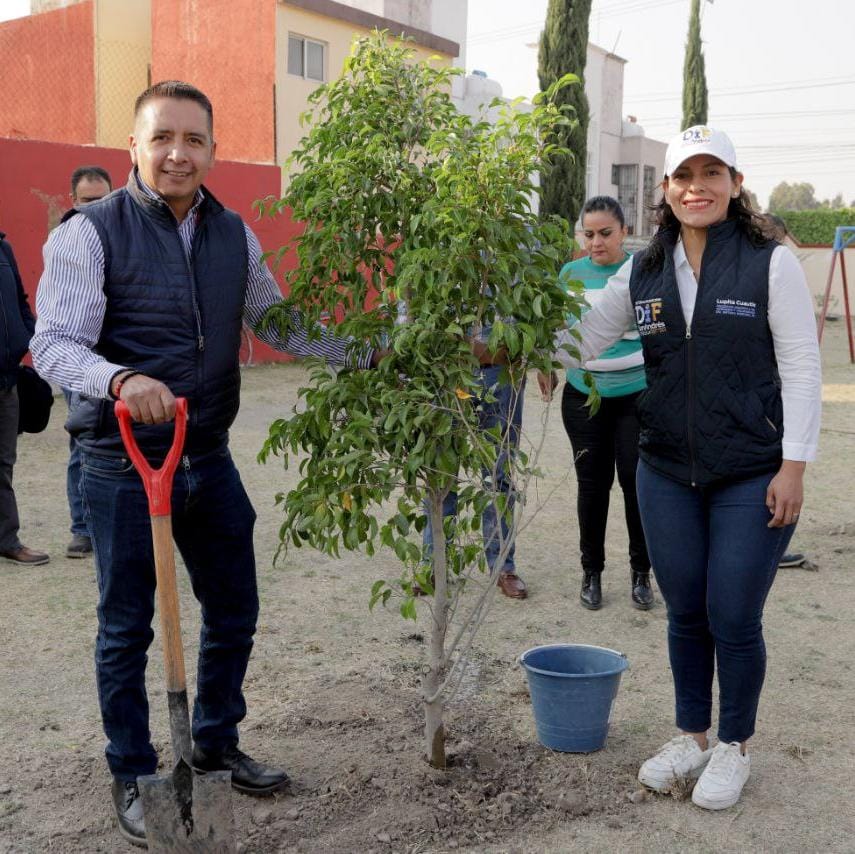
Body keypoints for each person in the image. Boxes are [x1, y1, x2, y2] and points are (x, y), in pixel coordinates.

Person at [32, 80, 377, 848]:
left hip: (207, 456)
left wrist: (368, 352)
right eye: (162, 137)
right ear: (133, 145)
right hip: (123, 465)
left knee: (234, 611)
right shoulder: (87, 234)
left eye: (193, 139)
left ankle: (214, 742)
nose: (177, 153)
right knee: (125, 628)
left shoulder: (234, 233)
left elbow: (276, 318)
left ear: (214, 150)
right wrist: (122, 380)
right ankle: (132, 768)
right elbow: (54, 345)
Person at [553, 126, 821, 810]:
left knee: (731, 611)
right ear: (664, 190)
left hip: (749, 469)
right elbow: (578, 337)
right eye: (681, 176)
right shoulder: (640, 267)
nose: (694, 186)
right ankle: (692, 737)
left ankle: (733, 746)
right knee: (684, 614)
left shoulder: (769, 261)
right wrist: (503, 342)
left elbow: (800, 366)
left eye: (710, 173)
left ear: (733, 183)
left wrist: (792, 466)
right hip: (665, 468)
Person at [551, 196, 653, 610]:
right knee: (592, 486)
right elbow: (558, 333)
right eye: (588, 234)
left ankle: (641, 575)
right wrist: (547, 366)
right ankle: (591, 573)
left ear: (624, 232)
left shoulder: (643, 271)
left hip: (636, 396)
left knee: (635, 484)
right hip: (584, 396)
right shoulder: (570, 274)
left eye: (605, 233)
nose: (596, 242)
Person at [63, 166, 114, 559]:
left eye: (103, 198)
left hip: (120, 363)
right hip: (81, 363)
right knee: (85, 444)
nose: (97, 206)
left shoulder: (126, 235)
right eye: (88, 200)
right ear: (74, 202)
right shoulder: (67, 240)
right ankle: (83, 528)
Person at [0, 231, 49, 567]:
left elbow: (19, 298)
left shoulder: (3, 246)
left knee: (4, 464)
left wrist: (27, 336)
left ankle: (6, 539)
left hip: (7, 377)